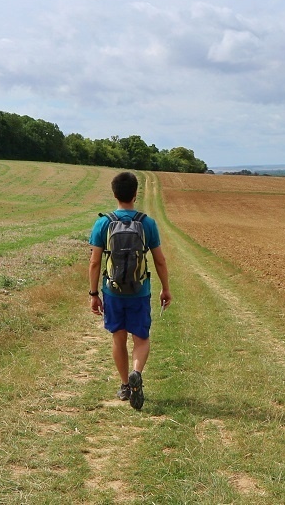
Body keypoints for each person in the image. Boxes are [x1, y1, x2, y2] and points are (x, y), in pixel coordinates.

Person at [88, 171, 171, 410]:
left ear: (114, 194)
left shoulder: (103, 223)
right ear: (136, 194)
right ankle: (137, 372)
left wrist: (94, 295)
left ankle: (125, 385)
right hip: (140, 291)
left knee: (119, 338)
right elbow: (160, 260)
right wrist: (165, 289)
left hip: (112, 291)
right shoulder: (147, 223)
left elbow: (94, 262)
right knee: (141, 338)